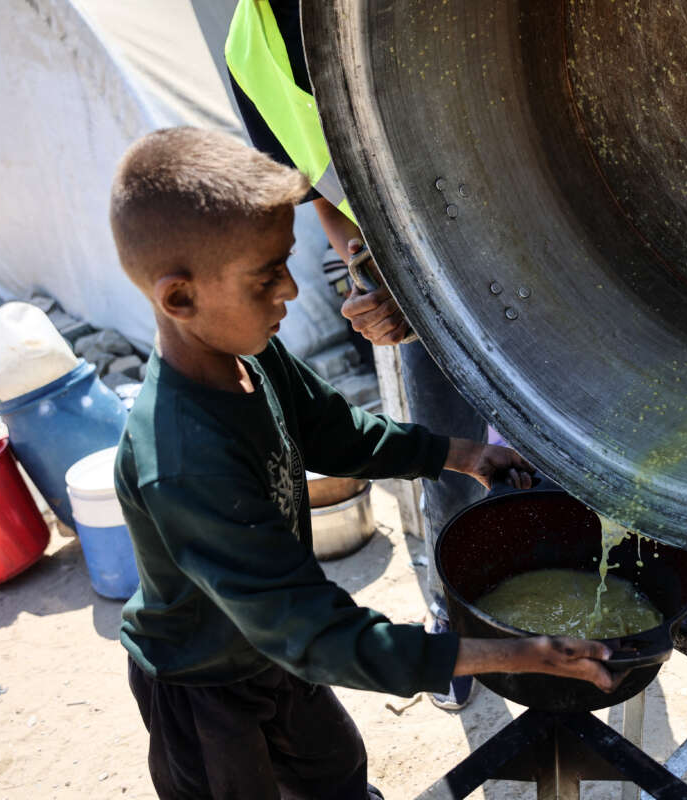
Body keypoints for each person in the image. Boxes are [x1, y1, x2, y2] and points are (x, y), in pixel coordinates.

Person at [109, 127, 613, 800]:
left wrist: (458, 454)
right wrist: (516, 651)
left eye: (287, 262)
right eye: (266, 277)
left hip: (277, 645)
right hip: (204, 678)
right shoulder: (183, 461)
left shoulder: (250, 356)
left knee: (335, 771)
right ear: (179, 298)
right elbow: (318, 633)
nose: (290, 289)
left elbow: (336, 433)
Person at [224, 0, 489, 708]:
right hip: (418, 291)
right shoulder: (251, 53)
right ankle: (457, 617)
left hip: (515, 250)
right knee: (452, 454)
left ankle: (575, 584)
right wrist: (371, 272)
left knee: (562, 444)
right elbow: (320, 193)